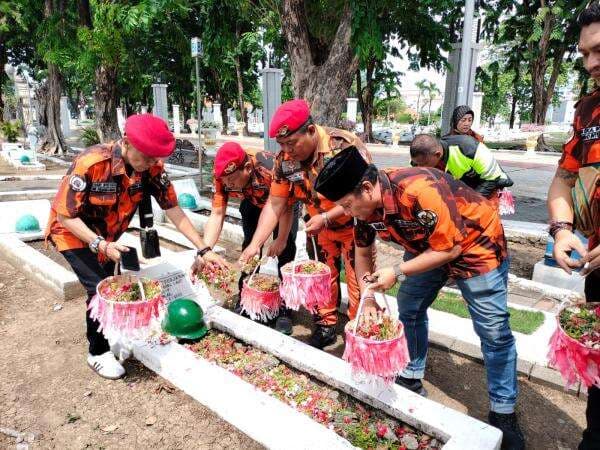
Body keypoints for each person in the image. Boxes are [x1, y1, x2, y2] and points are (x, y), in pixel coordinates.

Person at [314, 147, 525, 450]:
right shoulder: (362, 208)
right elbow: (362, 252)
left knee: (493, 330)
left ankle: (503, 411)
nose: (347, 213)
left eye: (348, 205)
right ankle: (411, 376)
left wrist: (397, 272)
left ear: (366, 187)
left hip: (476, 242)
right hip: (427, 245)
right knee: (410, 307)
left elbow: (450, 249)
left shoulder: (417, 189)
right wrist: (369, 295)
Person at [45, 114, 228, 380]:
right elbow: (65, 215)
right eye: (148, 157)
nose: (153, 163)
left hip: (109, 237)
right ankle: (97, 353)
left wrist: (204, 249)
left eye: (156, 158)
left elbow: (173, 209)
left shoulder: (151, 167)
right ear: (127, 143)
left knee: (110, 284)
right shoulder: (92, 163)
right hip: (72, 232)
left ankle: (112, 334)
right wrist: (99, 244)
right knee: (100, 289)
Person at [239, 99, 374, 349]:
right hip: (319, 230)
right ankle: (325, 325)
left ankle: (359, 335)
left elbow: (367, 193)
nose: (287, 151)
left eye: (291, 143)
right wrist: (255, 244)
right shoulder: (285, 161)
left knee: (358, 283)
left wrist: (326, 217)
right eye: (281, 144)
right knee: (322, 278)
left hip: (354, 226)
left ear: (311, 131)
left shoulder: (343, 146)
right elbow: (276, 203)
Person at [547, 4, 600, 449]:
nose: (591, 63)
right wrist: (562, 230)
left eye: (599, 50)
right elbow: (563, 181)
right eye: (585, 54)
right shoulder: (588, 112)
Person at [203, 141, 299, 334]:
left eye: (232, 181)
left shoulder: (270, 168)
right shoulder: (223, 175)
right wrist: (205, 250)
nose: (228, 185)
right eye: (225, 181)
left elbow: (286, 207)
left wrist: (280, 239)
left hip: (282, 205)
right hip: (253, 202)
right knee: (249, 247)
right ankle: (246, 295)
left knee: (286, 251)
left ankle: (286, 306)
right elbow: (217, 213)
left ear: (247, 168)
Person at [410, 133, 513, 207]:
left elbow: (492, 179)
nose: (420, 167)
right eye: (417, 164)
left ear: (437, 154)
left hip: (488, 184)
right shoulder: (421, 157)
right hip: (461, 187)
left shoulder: (470, 149)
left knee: (479, 218)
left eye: (424, 164)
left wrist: (470, 204)